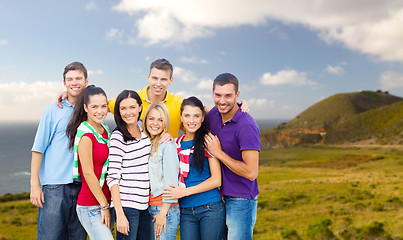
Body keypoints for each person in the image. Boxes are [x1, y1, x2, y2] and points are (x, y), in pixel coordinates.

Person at [30, 62, 88, 239]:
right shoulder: (53, 109)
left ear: (86, 80)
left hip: (83, 188)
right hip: (55, 188)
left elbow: (118, 104)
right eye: (70, 79)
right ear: (64, 83)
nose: (74, 82)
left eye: (78, 78)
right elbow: (38, 149)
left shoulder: (91, 109)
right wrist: (34, 185)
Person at [204, 73, 260, 240]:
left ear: (237, 95)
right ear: (212, 93)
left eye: (228, 96)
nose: (222, 101)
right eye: (218, 95)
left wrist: (218, 153)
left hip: (240, 199)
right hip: (216, 197)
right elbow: (190, 113)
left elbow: (251, 172)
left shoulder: (247, 126)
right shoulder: (213, 115)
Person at [164, 97, 225, 240]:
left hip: (210, 207)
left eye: (196, 116)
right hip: (186, 211)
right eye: (187, 116)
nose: (191, 121)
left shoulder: (208, 141)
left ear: (203, 118)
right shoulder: (175, 144)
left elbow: (216, 180)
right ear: (181, 117)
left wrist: (184, 192)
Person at [66, 85, 113, 239]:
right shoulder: (86, 135)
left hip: (107, 202)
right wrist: (104, 206)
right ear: (85, 107)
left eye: (103, 106)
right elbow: (88, 173)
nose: (100, 111)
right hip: (92, 206)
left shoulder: (104, 129)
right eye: (94, 106)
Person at [106, 90, 152, 240]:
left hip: (144, 204)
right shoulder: (118, 137)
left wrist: (168, 135)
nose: (128, 112)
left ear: (140, 107)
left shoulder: (145, 132)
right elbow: (112, 177)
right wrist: (119, 214)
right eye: (123, 108)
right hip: (126, 205)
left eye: (132, 107)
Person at [108, 58, 184, 138]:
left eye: (163, 79)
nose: (158, 83)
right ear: (148, 77)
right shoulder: (132, 99)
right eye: (155, 78)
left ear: (170, 80)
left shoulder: (180, 104)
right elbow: (102, 107)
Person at [142, 103, 180, 240]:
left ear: (165, 123)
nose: (155, 123)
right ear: (145, 120)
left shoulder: (167, 145)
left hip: (164, 209)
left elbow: (172, 182)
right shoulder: (148, 143)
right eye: (151, 119)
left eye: (160, 120)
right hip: (151, 207)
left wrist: (163, 212)